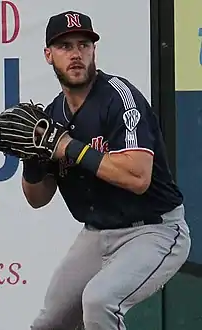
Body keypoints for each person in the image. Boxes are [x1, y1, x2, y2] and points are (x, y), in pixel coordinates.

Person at [22, 10, 191, 330]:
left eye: (83, 44)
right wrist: (32, 161)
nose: (75, 54)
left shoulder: (119, 98)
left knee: (100, 302)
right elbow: (37, 198)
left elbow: (138, 178)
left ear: (93, 51)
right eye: (65, 46)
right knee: (49, 324)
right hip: (97, 233)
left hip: (154, 230)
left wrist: (70, 147)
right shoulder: (51, 115)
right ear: (48, 55)